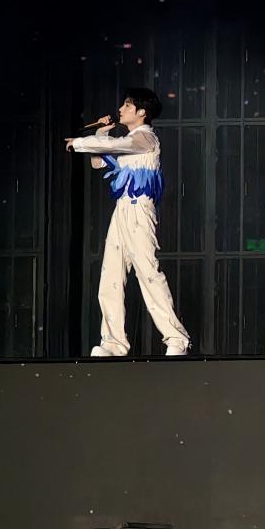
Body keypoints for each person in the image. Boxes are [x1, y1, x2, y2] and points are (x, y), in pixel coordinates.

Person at [64, 88, 192, 358]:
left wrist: (81, 142)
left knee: (148, 273)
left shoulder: (146, 137)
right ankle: (113, 342)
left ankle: (177, 338)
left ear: (141, 112)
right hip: (121, 209)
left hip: (139, 210)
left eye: (127, 105)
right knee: (110, 276)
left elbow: (114, 147)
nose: (120, 110)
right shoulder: (128, 140)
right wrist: (100, 133)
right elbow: (99, 162)